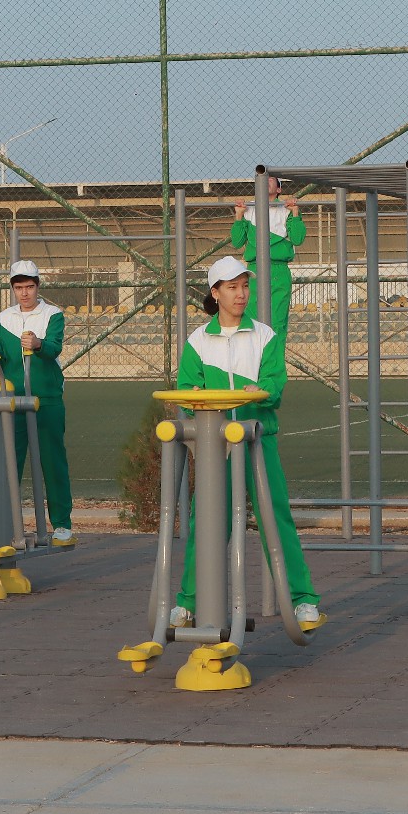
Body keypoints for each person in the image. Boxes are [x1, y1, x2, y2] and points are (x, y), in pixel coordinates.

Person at [170, 255, 322, 629]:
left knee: (276, 518)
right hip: (216, 447)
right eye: (232, 287)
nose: (241, 294)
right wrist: (194, 397)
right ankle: (188, 602)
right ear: (215, 293)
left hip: (256, 439)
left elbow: (275, 383)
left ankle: (303, 600)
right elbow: (186, 387)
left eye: (244, 286)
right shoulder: (198, 340)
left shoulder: (263, 335)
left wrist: (261, 390)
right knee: (206, 522)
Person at [0, 259, 72, 546]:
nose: (25, 293)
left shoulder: (53, 314)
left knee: (53, 463)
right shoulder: (4, 318)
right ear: (13, 289)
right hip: (12, 400)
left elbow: (54, 347)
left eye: (29, 286)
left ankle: (62, 525)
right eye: (19, 288)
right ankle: (2, 525)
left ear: (38, 286)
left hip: (46, 399)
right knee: (8, 463)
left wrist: (38, 344)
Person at [229, 178, 306, 333]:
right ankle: (255, 349)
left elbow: (298, 239)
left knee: (277, 322)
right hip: (254, 270)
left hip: (278, 269)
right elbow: (237, 242)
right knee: (251, 321)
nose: (266, 181)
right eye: (263, 179)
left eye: (271, 179)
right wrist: (239, 216)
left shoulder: (286, 209)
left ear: (279, 189)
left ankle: (275, 350)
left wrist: (295, 212)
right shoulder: (249, 209)